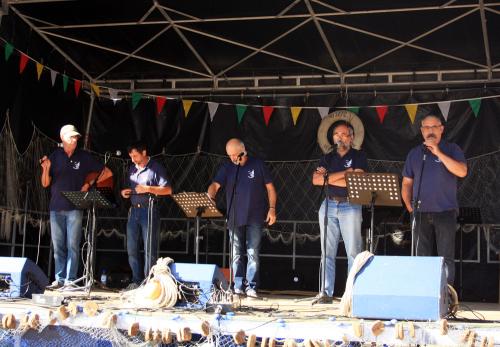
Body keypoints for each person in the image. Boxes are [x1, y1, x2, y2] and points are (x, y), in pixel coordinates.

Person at [41, 124, 113, 290]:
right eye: (71, 137)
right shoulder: (55, 155)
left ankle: (70, 281)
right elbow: (45, 183)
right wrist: (45, 169)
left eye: (76, 137)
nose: (74, 140)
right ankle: (59, 280)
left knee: (73, 246)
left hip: (75, 207)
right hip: (55, 207)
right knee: (58, 247)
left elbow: (106, 172)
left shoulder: (84, 156)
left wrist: (88, 183)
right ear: (63, 138)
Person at [402, 114, 467, 285]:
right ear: (422, 131)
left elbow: (462, 171)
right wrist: (410, 207)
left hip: (445, 211)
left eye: (434, 127)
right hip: (420, 213)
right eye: (427, 128)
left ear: (441, 129)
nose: (430, 131)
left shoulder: (452, 148)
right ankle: (421, 294)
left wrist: (438, 152)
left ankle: (447, 298)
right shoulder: (415, 153)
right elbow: (407, 183)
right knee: (420, 257)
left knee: (445, 258)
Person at [207, 138, 277, 298]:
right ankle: (237, 285)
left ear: (243, 151)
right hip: (234, 216)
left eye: (234, 154)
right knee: (236, 253)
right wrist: (210, 195)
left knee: (253, 252)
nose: (232, 158)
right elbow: (215, 185)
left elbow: (271, 189)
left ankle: (251, 286)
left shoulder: (258, 164)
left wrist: (272, 209)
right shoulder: (228, 167)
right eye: (229, 155)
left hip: (255, 215)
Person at [312, 121, 367, 303]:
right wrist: (346, 173)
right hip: (327, 205)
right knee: (327, 252)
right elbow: (316, 180)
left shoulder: (358, 156)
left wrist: (329, 177)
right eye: (336, 134)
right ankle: (326, 292)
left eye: (344, 134)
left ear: (351, 138)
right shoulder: (327, 158)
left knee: (352, 251)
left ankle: (351, 294)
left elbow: (355, 180)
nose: (340, 137)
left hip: (350, 205)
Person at [121, 142, 172, 289]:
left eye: (135, 156)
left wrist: (148, 188)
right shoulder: (132, 169)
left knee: (149, 249)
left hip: (149, 210)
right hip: (133, 210)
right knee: (131, 248)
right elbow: (129, 188)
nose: (133, 159)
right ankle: (137, 281)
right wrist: (124, 193)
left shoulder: (156, 167)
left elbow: (168, 189)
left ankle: (149, 282)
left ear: (144, 152)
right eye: (131, 156)